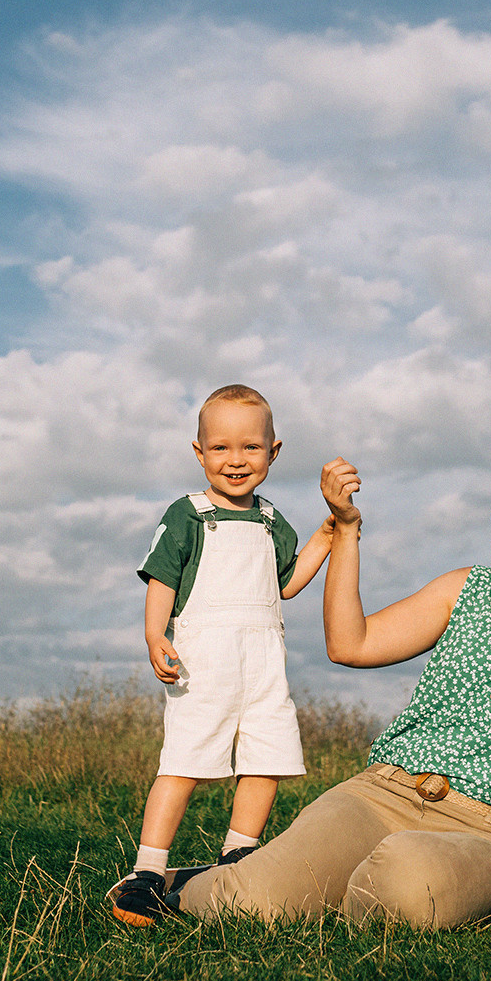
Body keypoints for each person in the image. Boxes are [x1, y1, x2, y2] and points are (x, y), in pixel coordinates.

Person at [160, 449, 491, 930]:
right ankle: (174, 885)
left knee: (405, 886)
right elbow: (350, 644)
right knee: (250, 905)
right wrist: (345, 530)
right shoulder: (465, 588)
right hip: (384, 794)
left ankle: (324, 886)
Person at [108, 385, 337, 926]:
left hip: (263, 661)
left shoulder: (274, 522)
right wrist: (153, 634)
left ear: (273, 452)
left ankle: (238, 853)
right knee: (184, 761)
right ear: (199, 452)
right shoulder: (188, 514)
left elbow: (287, 585)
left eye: (250, 449)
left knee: (268, 757)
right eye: (221, 449)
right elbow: (163, 578)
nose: (236, 460)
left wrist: (328, 536)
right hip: (203, 657)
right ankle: (147, 871)